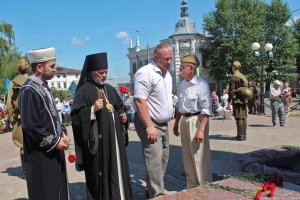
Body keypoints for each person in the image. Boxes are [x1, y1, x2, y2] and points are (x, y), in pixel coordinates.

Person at [71, 52, 132, 200]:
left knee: (118, 169)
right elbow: (75, 117)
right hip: (99, 145)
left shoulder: (110, 89)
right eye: (101, 72)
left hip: (115, 142)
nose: (104, 75)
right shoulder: (83, 91)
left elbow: (119, 107)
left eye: (106, 72)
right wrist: (91, 110)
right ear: (92, 73)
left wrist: (122, 116)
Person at [18, 47, 70, 199]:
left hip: (53, 152)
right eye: (52, 66)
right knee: (45, 191)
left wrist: (62, 132)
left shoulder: (44, 87)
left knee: (56, 190)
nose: (55, 69)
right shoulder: (28, 90)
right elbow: (31, 126)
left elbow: (53, 117)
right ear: (39, 67)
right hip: (40, 155)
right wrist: (55, 141)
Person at [133, 43, 173, 198]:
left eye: (170, 58)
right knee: (154, 160)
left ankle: (152, 188)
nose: (169, 62)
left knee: (163, 159)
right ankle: (157, 195)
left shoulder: (167, 74)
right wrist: (149, 126)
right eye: (166, 59)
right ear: (156, 57)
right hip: (149, 123)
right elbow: (139, 101)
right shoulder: (145, 73)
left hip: (163, 124)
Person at [173, 54, 213, 189]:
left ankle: (204, 185)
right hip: (185, 120)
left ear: (191, 68)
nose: (180, 70)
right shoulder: (182, 85)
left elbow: (206, 110)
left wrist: (201, 130)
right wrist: (176, 124)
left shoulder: (201, 84)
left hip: (197, 120)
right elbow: (179, 107)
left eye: (182, 67)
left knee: (199, 156)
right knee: (188, 156)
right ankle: (192, 186)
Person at [6, 58, 30, 180]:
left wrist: (11, 118)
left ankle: (25, 172)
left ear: (17, 69)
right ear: (28, 69)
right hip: (33, 117)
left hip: (20, 118)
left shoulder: (13, 83)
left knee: (22, 145)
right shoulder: (32, 81)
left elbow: (9, 103)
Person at [228, 61, 249, 141]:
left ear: (234, 67)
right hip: (244, 99)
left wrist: (230, 100)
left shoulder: (234, 77)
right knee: (244, 117)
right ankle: (244, 135)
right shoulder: (243, 76)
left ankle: (240, 136)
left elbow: (232, 90)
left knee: (239, 117)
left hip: (237, 100)